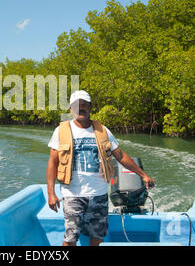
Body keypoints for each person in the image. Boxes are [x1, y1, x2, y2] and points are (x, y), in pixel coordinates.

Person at [46, 90, 156, 246]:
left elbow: (121, 156)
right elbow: (52, 162)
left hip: (99, 194)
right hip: (72, 194)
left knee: (97, 238)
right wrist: (51, 193)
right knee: (70, 238)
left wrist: (143, 175)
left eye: (85, 105)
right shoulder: (61, 131)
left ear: (91, 107)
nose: (81, 108)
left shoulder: (103, 131)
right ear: (71, 109)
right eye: (77, 106)